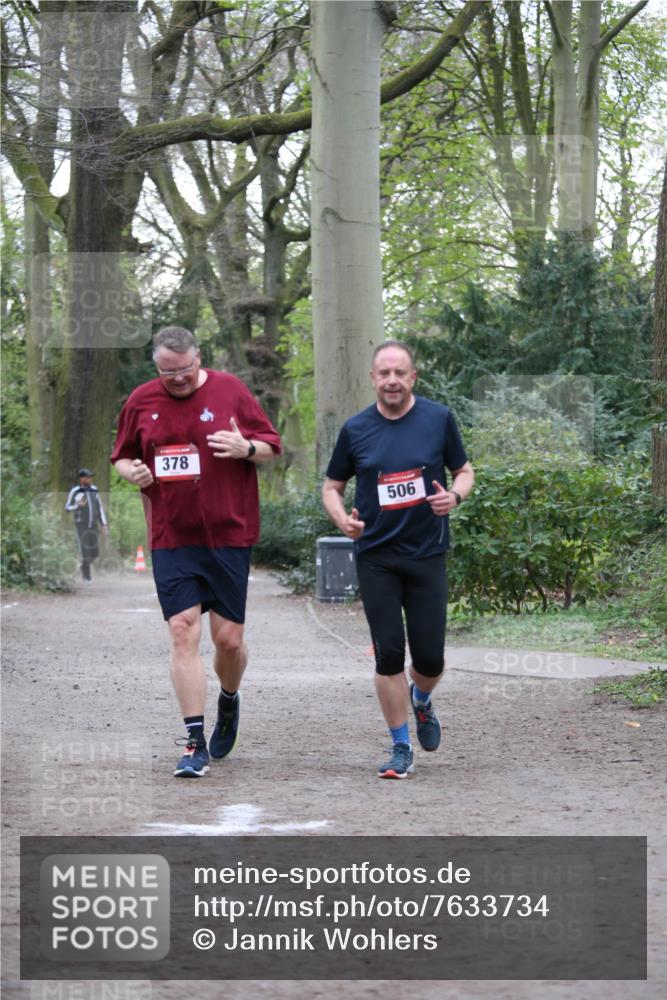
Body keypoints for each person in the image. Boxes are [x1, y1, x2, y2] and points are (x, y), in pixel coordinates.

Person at [110, 326, 281, 778]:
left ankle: (229, 697)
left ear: (198, 358)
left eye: (185, 370)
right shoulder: (142, 401)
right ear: (156, 366)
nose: (179, 380)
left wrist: (246, 448)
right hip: (172, 536)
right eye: (169, 373)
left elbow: (272, 447)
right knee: (183, 632)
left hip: (228, 533)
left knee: (229, 641)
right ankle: (193, 741)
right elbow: (122, 456)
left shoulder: (231, 391)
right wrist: (134, 473)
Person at [322, 340, 474, 779]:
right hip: (376, 558)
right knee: (388, 654)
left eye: (399, 373)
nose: (391, 380)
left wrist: (456, 495)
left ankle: (422, 699)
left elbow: (464, 470)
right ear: (373, 378)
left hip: (427, 554)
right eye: (383, 373)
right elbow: (332, 487)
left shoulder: (438, 419)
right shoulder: (356, 429)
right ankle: (400, 746)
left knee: (431, 660)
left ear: (412, 377)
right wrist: (341, 521)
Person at [65, 468, 108, 582]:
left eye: (90, 477)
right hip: (81, 526)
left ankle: (83, 566)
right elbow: (67, 507)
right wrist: (78, 505)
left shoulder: (94, 490)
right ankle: (87, 577)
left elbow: (99, 508)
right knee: (85, 551)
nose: (90, 479)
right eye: (87, 477)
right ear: (81, 478)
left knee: (95, 552)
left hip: (93, 526)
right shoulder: (75, 491)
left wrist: (104, 524)